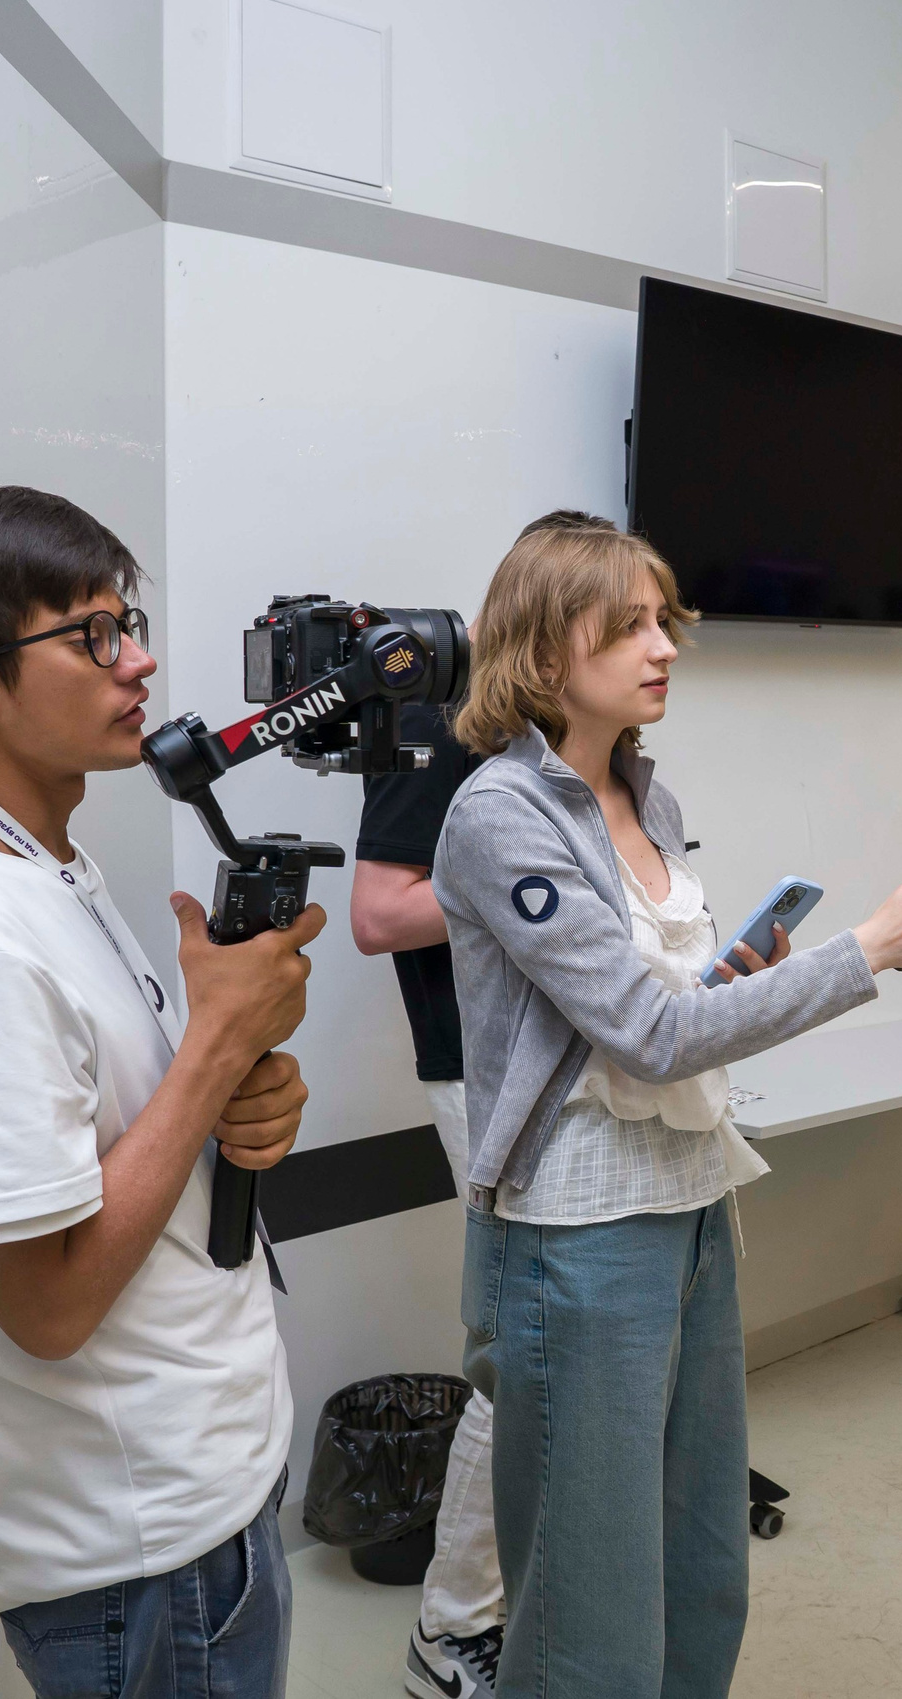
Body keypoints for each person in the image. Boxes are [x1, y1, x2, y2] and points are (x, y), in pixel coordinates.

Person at [432, 520, 902, 1698]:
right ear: (542, 647)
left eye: (663, 621)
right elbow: (649, 1034)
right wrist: (865, 952)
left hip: (690, 1204)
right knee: (589, 1604)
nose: (664, 647)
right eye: (628, 625)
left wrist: (734, 977)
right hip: (578, 1232)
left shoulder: (646, 794)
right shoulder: (499, 813)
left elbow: (663, 1006)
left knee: (698, 1564)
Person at [0, 488, 316, 1698]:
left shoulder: (43, 867)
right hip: (143, 1550)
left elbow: (116, 1144)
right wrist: (216, 1048)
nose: (137, 660)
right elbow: (46, 1306)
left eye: (126, 623)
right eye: (92, 636)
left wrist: (236, 1101)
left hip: (189, 1497)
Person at [349, 509, 615, 1699]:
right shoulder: (438, 722)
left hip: (582, 1057)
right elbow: (376, 915)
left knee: (563, 1359)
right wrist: (529, 883)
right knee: (524, 1362)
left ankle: (514, 1596)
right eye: (621, 620)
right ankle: (451, 1629)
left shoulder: (584, 741)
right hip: (481, 1069)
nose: (654, 645)